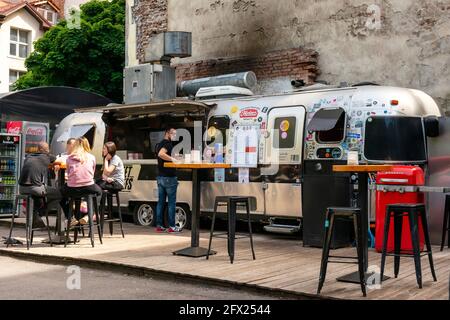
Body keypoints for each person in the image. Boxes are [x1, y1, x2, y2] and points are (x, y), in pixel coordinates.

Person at [60, 138, 102, 226]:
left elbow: (68, 172)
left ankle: (71, 218)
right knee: (99, 191)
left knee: (61, 196)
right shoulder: (92, 157)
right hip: (88, 187)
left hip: (72, 188)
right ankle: (90, 214)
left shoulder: (69, 158)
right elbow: (92, 173)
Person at [18, 142, 61, 228]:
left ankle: (35, 216)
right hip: (35, 188)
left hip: (22, 188)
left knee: (38, 197)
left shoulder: (29, 156)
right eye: (48, 149)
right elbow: (56, 159)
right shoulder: (47, 157)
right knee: (60, 194)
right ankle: (39, 213)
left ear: (38, 149)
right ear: (46, 150)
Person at [155, 126, 181, 233]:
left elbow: (161, 154)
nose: (174, 136)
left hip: (160, 177)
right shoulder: (167, 144)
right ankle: (172, 226)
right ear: (167, 133)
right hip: (169, 177)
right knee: (171, 203)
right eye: (173, 133)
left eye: (175, 134)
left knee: (160, 202)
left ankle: (159, 225)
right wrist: (173, 159)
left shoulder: (159, 143)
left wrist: (175, 157)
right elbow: (161, 154)